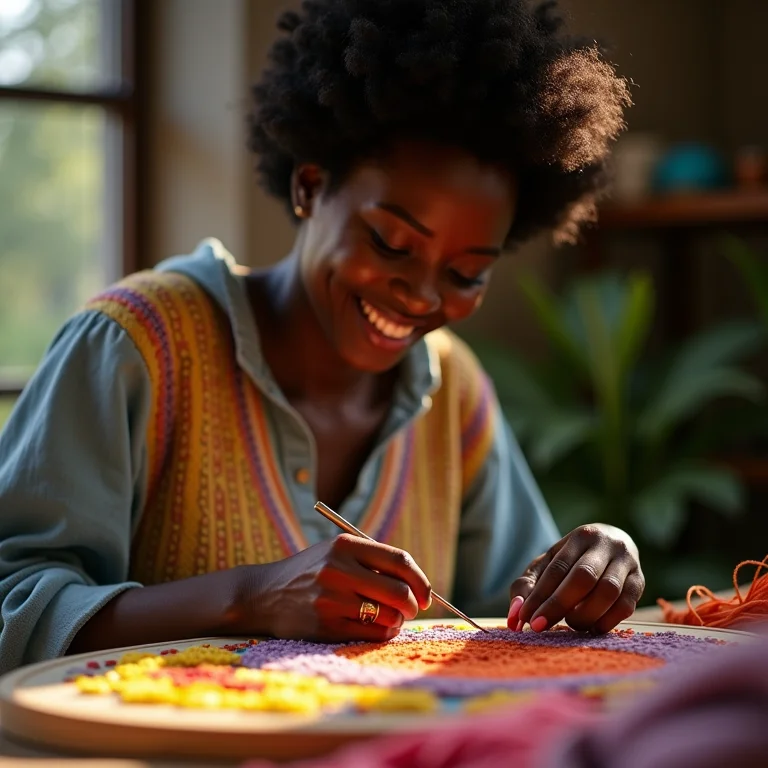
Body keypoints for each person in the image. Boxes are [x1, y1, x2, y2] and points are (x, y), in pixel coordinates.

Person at [0, 0, 643, 674]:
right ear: (310, 186)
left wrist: (581, 575)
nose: (422, 296)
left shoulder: (451, 388)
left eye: (465, 273)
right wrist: (247, 597)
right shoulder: (135, 347)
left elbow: (514, 616)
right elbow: (12, 603)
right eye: (390, 242)